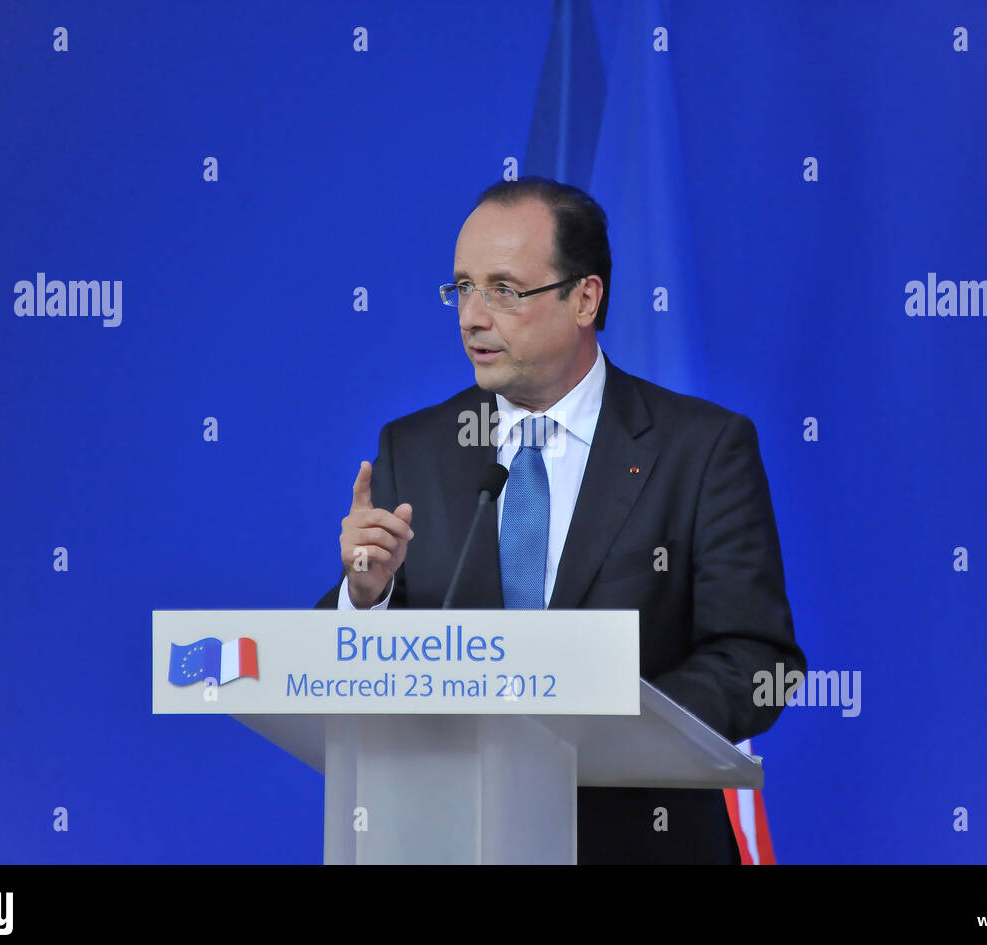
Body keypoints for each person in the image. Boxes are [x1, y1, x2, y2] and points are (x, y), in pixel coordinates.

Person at [316, 176, 804, 864]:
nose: (472, 316)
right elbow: (335, 667)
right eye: (462, 287)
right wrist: (364, 598)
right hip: (455, 840)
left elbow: (760, 662)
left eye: (504, 290)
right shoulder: (415, 448)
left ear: (585, 297)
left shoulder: (702, 447)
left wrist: (599, 728)